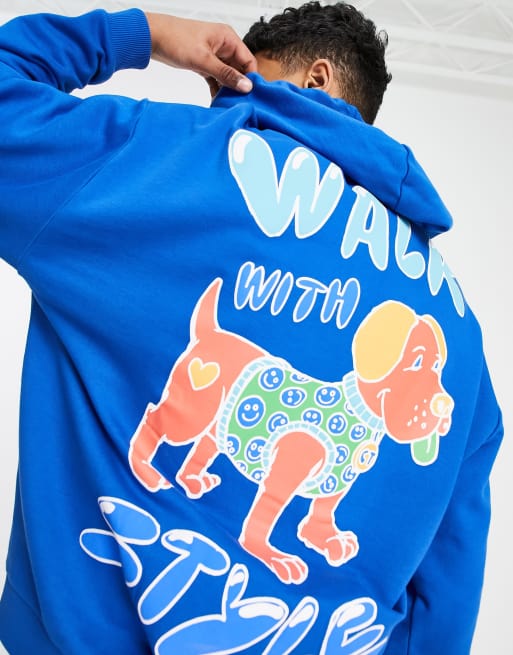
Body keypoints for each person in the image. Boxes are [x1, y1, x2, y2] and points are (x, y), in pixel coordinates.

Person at [0, 2, 503, 654]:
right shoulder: (457, 329)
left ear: (317, 79)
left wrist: (145, 33)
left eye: (235, 84)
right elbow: (446, 594)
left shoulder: (159, 160)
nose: (223, 107)